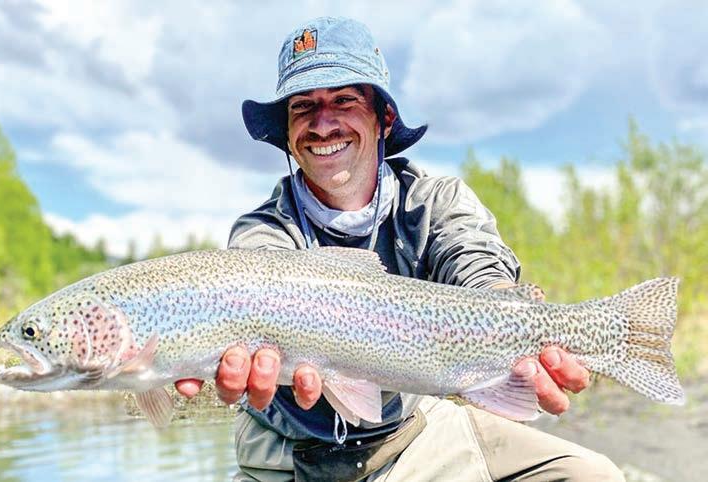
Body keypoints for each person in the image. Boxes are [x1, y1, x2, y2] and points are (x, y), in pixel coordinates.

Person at [176, 17, 624, 481]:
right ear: (288, 133)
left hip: (414, 433)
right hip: (286, 452)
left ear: (384, 119)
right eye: (303, 107)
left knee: (590, 475)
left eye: (344, 100)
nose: (323, 123)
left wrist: (510, 320)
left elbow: (476, 264)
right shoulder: (264, 231)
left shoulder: (435, 201)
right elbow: (255, 282)